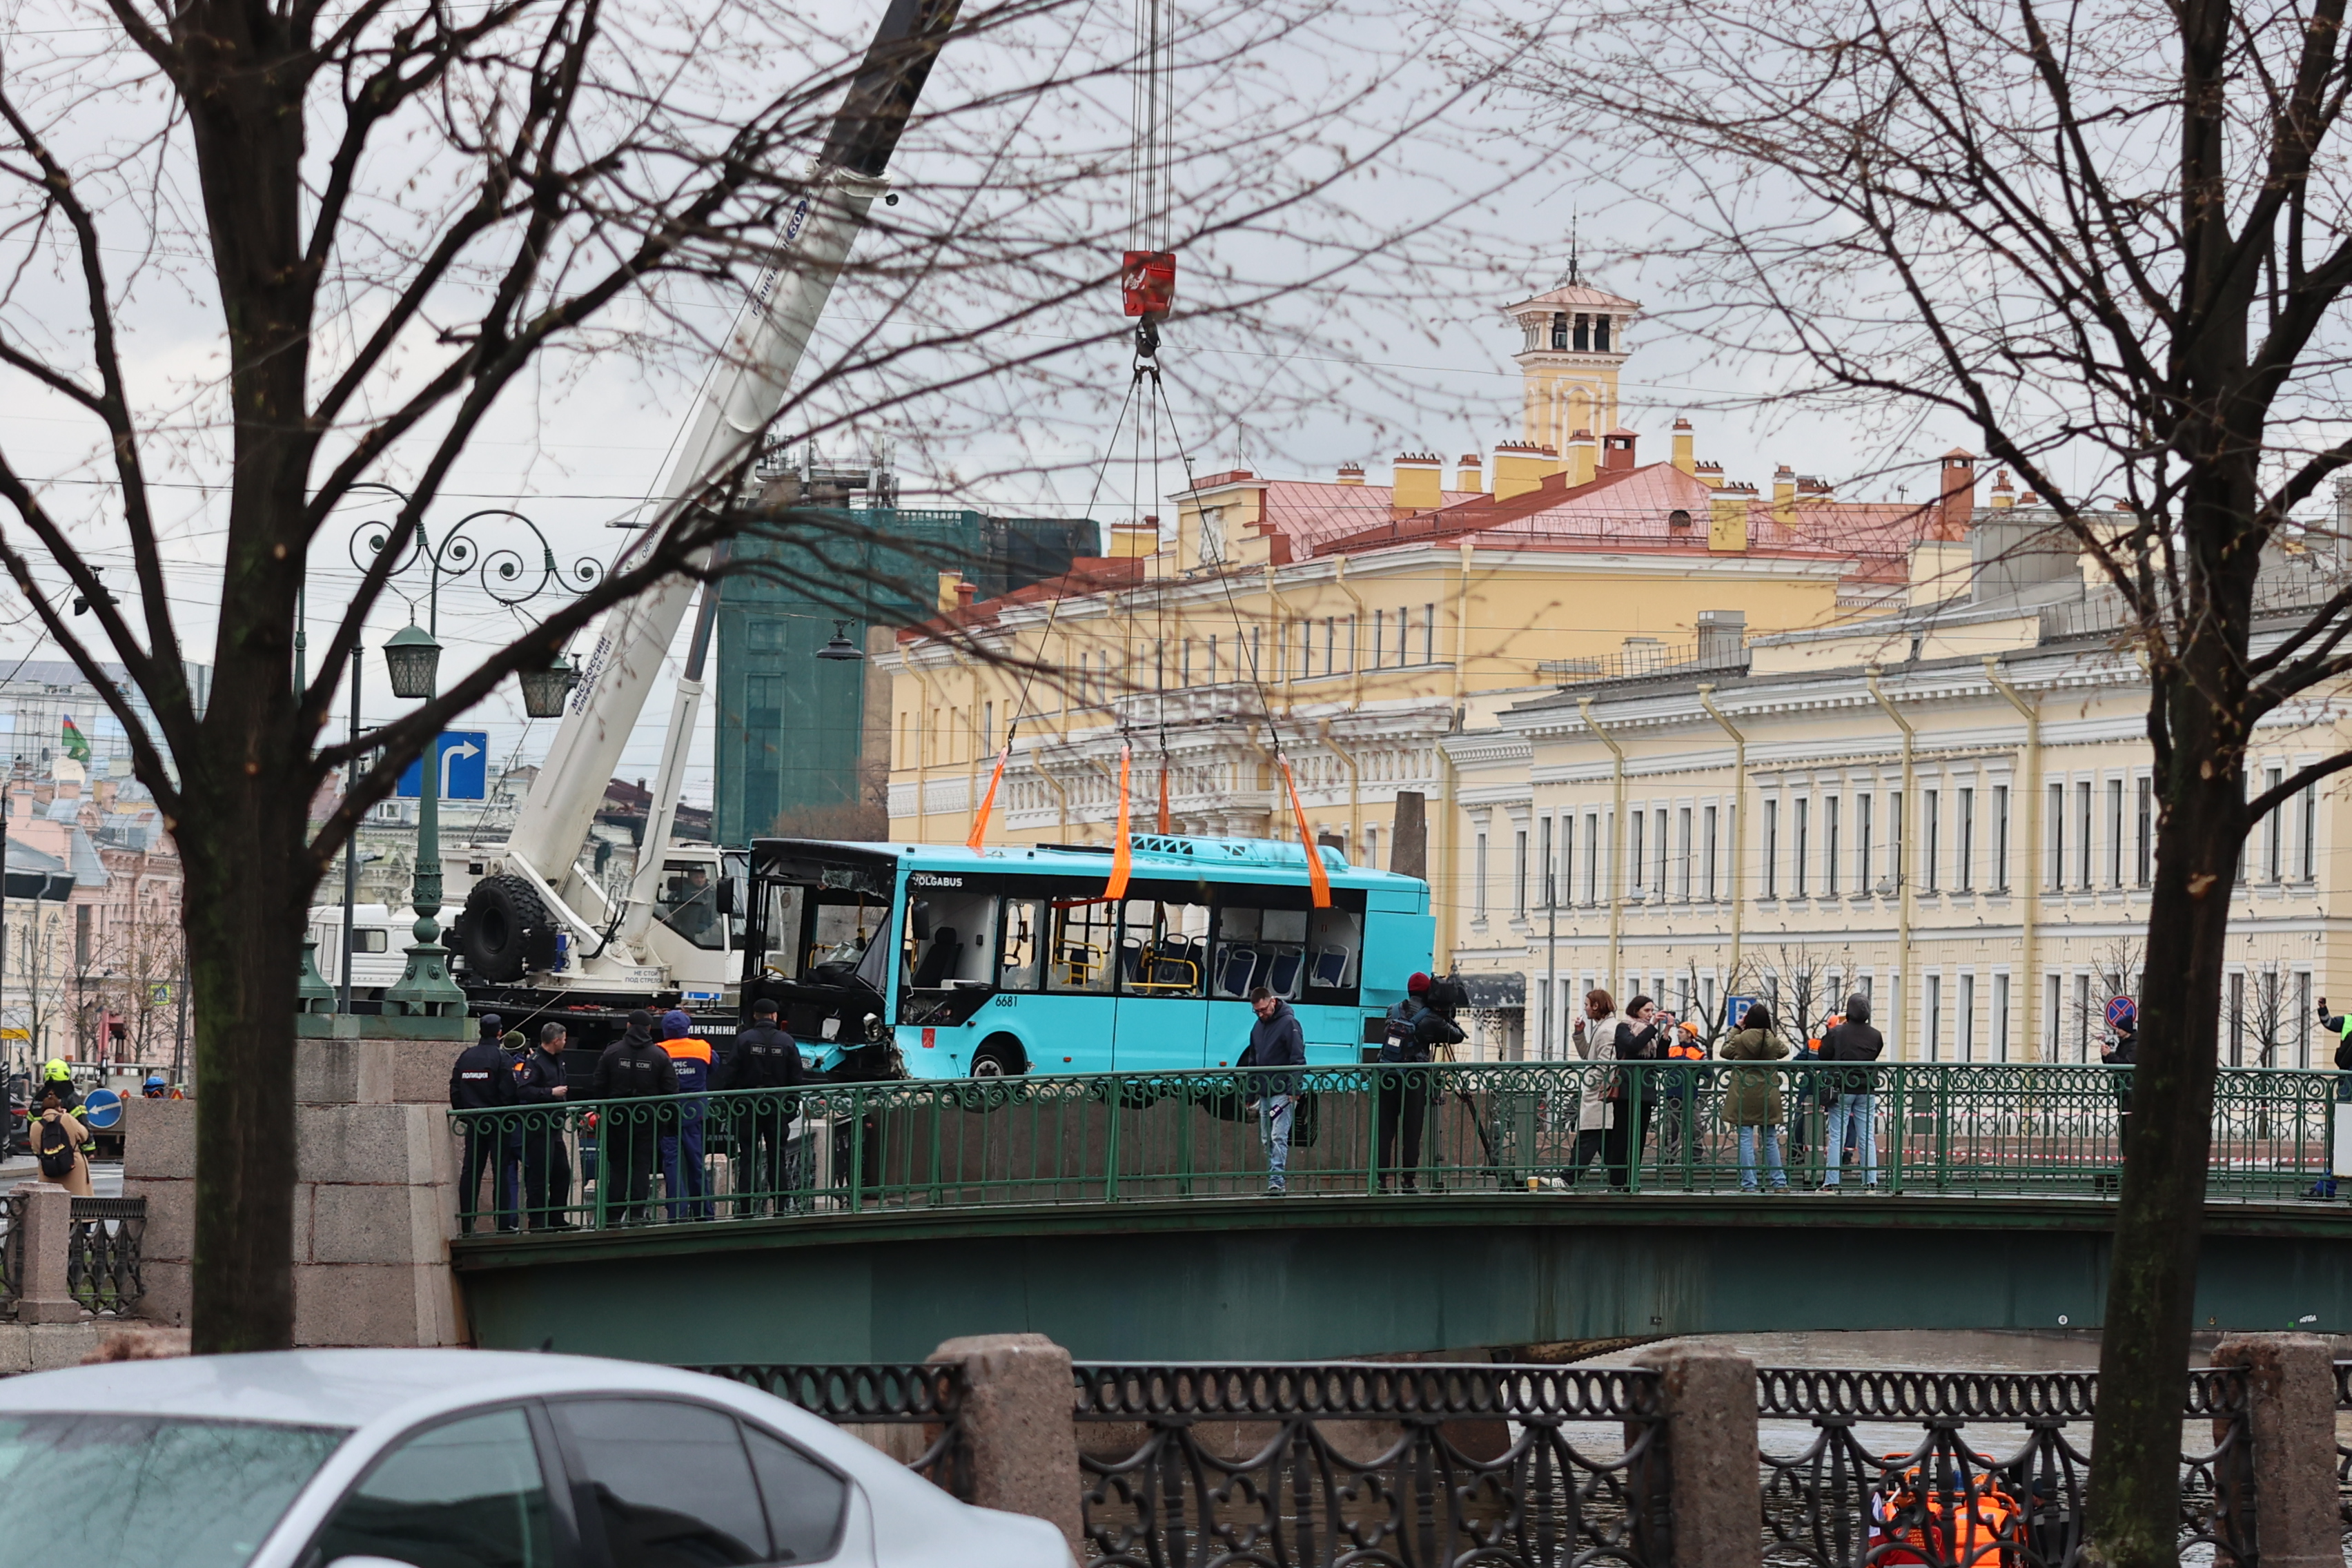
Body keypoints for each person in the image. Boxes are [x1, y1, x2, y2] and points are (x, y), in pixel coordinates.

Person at [589, 1009, 677, 1224]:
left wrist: (603, 1112)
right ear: (649, 1029)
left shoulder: (612, 1053)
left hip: (617, 1117)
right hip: (647, 1119)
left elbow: (599, 1085)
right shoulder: (659, 1056)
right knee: (641, 1165)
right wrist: (669, 1123)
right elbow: (671, 1091)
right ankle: (638, 1213)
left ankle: (613, 1214)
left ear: (628, 1026)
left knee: (618, 1167)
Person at [1377, 972, 1464, 1190]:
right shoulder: (1430, 1018)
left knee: (1385, 1131)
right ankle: (1408, 1181)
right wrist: (1445, 1015)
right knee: (1412, 1131)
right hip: (1414, 1079)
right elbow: (1457, 1036)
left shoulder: (1392, 1009)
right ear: (1428, 992)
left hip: (1387, 1075)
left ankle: (1379, 1181)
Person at [719, 999, 805, 1215]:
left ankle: (746, 1206)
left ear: (756, 1016)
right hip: (777, 1105)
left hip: (748, 1105)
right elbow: (796, 1078)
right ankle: (780, 1206)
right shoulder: (786, 1041)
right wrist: (791, 1106)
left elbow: (729, 1074)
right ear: (775, 1016)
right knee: (778, 1155)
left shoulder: (744, 1039)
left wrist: (731, 1103)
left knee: (748, 1156)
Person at [447, 1016, 520, 1233]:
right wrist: (510, 1116)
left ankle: (468, 1224)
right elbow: (509, 1092)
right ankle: (503, 1224)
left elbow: (455, 1088)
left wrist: (464, 1115)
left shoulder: (466, 1057)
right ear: (500, 1032)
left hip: (474, 1123)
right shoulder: (502, 1058)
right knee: (501, 1173)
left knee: (470, 1171)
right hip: (498, 1123)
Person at [1719, 1003, 1791, 1193]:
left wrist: (1736, 1029)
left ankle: (1749, 1184)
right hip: (1768, 1093)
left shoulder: (1741, 1038)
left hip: (1743, 1092)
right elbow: (1784, 1051)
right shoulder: (1772, 1040)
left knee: (1745, 1138)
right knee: (1769, 1138)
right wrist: (1770, 1033)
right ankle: (1779, 1183)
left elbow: (1725, 1051)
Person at [1242, 984, 1305, 1195]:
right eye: (1257, 1011)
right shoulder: (1257, 1027)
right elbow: (1253, 1062)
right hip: (1265, 1092)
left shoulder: (1289, 1023)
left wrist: (1293, 1089)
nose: (1261, 1014)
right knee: (1267, 1137)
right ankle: (1274, 1180)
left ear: (1273, 1002)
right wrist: (1250, 1093)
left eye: (1263, 1010)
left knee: (1278, 1135)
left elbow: (1298, 1058)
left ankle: (1277, 1181)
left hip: (1282, 1093)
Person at [654, 1010, 716, 1221]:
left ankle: (677, 1213)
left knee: (672, 1163)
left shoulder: (659, 1050)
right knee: (696, 1163)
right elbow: (714, 1067)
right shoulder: (702, 1047)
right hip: (695, 1113)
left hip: (669, 1115)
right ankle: (704, 1213)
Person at [1818, 994, 1884, 1191]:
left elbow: (1823, 1055)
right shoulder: (1875, 1035)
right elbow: (1875, 1053)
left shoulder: (1837, 1033)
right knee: (1866, 1136)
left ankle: (1832, 1181)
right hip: (1866, 1089)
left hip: (1842, 1088)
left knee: (1837, 1135)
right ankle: (1870, 1181)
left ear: (1848, 1012)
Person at [513, 1022, 574, 1231]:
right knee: (540, 1174)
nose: (565, 1043)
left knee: (562, 1173)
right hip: (538, 1128)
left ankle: (557, 1217)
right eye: (564, 1039)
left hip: (554, 1126)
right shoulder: (536, 1063)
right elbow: (524, 1090)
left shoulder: (557, 1060)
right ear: (556, 1040)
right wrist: (551, 1093)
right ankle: (537, 1220)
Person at [1604, 996, 1668, 1188]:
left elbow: (1660, 1062)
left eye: (1652, 1011)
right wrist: (1653, 1027)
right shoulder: (1624, 1027)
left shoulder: (1650, 1033)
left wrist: (1665, 1033)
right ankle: (1616, 1181)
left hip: (1645, 1088)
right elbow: (1632, 1046)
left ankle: (1632, 1179)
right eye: (1647, 1011)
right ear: (1635, 1010)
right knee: (1622, 1135)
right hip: (1626, 1087)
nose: (1650, 1015)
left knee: (1639, 1136)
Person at [1564, 989, 1621, 1186]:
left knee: (1587, 1139)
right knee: (1605, 1145)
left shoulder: (1606, 1030)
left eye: (1587, 1005)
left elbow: (1605, 1064)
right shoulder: (1603, 1027)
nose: (1585, 1009)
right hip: (1599, 1096)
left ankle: (1566, 1180)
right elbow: (1589, 1056)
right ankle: (1620, 1183)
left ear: (1597, 1006)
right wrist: (1579, 1034)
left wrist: (1592, 1084)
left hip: (1599, 1096)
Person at [30, 1091, 91, 1195]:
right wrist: (65, 1115)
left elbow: (35, 1149)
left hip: (48, 1167)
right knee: (77, 1202)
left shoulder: (36, 1125)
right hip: (73, 1164)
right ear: (59, 1107)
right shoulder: (67, 1119)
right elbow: (84, 1135)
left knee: (50, 1201)